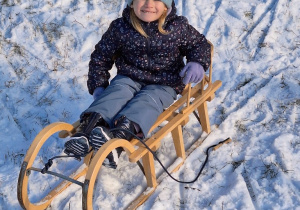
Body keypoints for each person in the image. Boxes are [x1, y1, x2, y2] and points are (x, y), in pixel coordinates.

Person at [64, 0, 211, 169]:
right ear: (132, 3)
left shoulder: (178, 28)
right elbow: (101, 56)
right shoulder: (121, 28)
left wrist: (197, 62)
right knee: (115, 94)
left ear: (166, 6)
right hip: (129, 77)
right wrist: (98, 85)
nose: (149, 4)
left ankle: (118, 140)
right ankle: (87, 131)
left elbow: (199, 44)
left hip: (164, 83)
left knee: (147, 102)